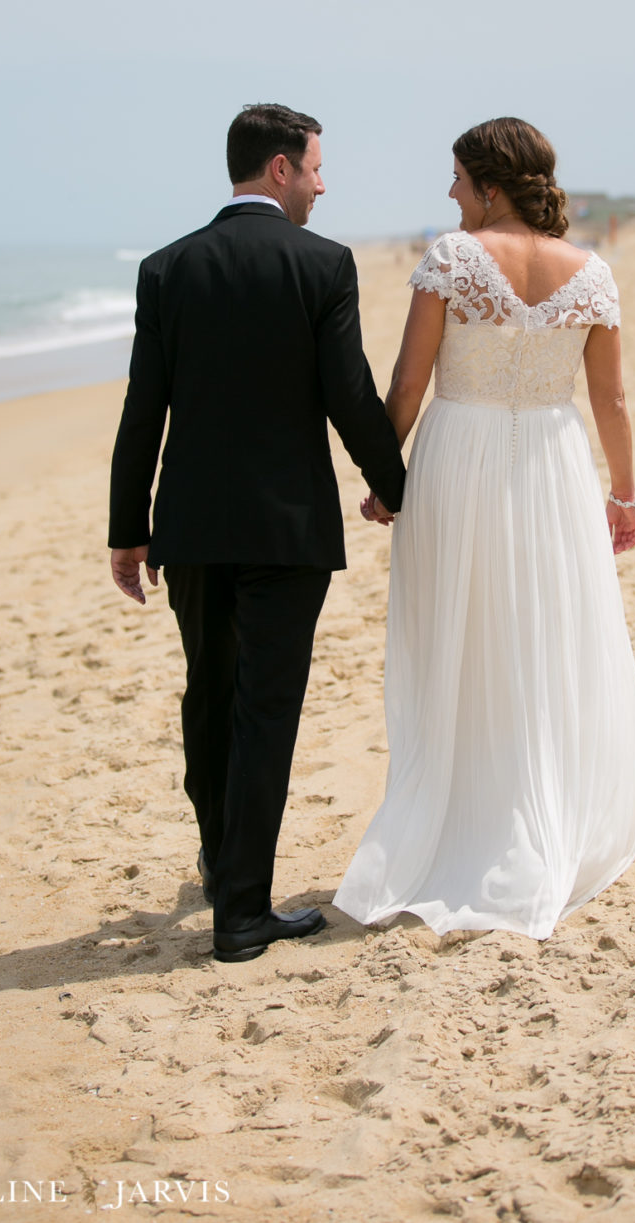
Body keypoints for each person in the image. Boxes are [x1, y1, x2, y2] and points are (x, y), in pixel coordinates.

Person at [334, 118, 635, 940]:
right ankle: (533, 810)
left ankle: (462, 817)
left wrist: (381, 475)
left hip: (459, 453)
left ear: (490, 184)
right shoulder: (593, 273)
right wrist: (623, 493)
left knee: (458, 637)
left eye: (457, 179)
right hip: (552, 460)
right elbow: (610, 401)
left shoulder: (453, 257)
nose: (449, 193)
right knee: (542, 635)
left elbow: (408, 379)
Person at [108, 104, 406, 963]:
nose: (323, 181)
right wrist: (396, 490)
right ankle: (241, 911)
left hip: (191, 525)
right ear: (280, 169)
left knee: (210, 691)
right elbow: (347, 394)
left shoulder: (167, 268)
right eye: (315, 166)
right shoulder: (322, 264)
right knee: (264, 708)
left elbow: (143, 410)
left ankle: (222, 861)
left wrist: (129, 527)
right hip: (287, 529)